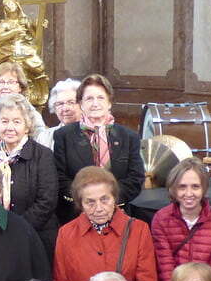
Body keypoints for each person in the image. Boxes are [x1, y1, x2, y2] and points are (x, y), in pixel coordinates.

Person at [53, 166, 157, 281]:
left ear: (114, 198)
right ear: (80, 204)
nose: (99, 208)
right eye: (90, 202)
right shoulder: (66, 234)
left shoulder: (139, 230)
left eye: (104, 199)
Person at [52, 73, 144, 223]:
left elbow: (135, 178)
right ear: (81, 104)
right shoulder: (63, 135)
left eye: (100, 98)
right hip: (76, 214)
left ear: (109, 103)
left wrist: (108, 202)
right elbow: (59, 177)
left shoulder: (129, 137)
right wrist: (88, 202)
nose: (95, 103)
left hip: (118, 213)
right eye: (89, 98)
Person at [0, 94, 59, 255]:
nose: (10, 127)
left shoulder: (43, 155)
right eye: (4, 121)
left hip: (34, 237)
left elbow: (47, 201)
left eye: (17, 122)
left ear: (27, 126)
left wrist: (14, 229)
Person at [151, 158, 211, 281]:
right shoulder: (161, 218)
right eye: (182, 187)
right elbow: (165, 269)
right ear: (173, 189)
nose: (189, 193)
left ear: (204, 188)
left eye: (195, 186)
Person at [0, 62, 47, 136]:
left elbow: (40, 138)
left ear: (20, 87)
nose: (5, 86)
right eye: (1, 82)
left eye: (10, 82)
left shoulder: (32, 114)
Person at [36, 79, 82, 150]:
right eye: (60, 104)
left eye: (71, 102)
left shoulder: (93, 135)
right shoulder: (44, 137)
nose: (65, 108)